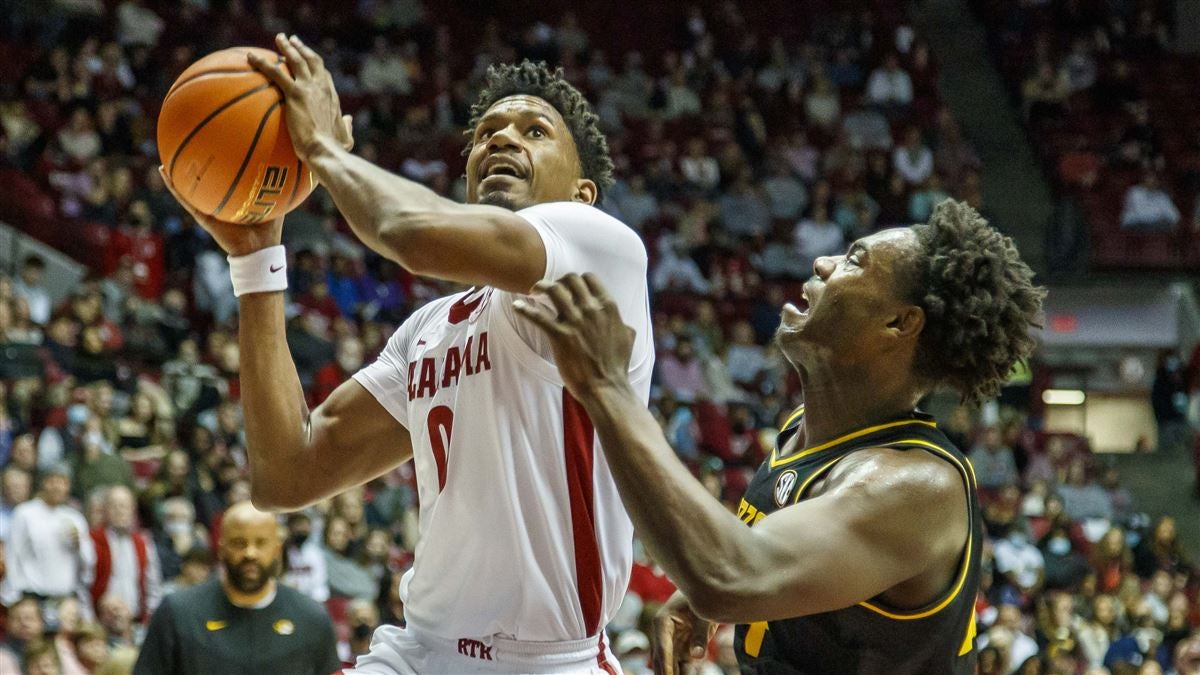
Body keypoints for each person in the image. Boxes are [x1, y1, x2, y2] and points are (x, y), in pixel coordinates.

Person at [160, 35, 652, 674]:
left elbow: (409, 234)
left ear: (583, 193)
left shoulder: (604, 252)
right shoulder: (430, 329)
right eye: (488, 133)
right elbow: (287, 474)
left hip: (547, 662)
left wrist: (323, 149)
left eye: (535, 131)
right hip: (419, 653)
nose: (502, 139)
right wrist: (256, 258)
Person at [513, 199, 1044, 673]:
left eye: (854, 261)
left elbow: (729, 575)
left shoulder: (913, 485)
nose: (823, 263)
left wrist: (609, 389)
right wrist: (705, 599)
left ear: (899, 324)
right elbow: (758, 567)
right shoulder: (804, 432)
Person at [134, 502, 339, 675]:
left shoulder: (311, 618)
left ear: (277, 550)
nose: (250, 553)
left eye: (261, 543)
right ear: (221, 550)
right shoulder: (177, 613)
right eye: (239, 543)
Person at [0, 463, 95, 608]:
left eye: (63, 482)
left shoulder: (75, 518)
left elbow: (89, 561)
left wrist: (79, 546)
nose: (57, 487)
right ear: (43, 483)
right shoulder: (25, 513)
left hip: (64, 597)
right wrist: (14, 593)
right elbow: (12, 555)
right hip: (31, 595)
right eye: (52, 481)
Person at [89, 485, 162, 624]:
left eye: (124, 506)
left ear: (133, 510)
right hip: (100, 622)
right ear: (105, 510)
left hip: (134, 621)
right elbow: (84, 586)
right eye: (114, 506)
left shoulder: (144, 543)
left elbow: (153, 587)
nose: (119, 511)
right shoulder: (92, 540)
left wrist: (150, 620)